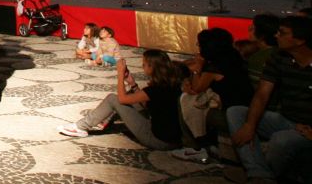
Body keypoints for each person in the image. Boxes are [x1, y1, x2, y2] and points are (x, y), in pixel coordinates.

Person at [227, 16, 312, 183]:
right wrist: (249, 126)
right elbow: (262, 94)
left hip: (308, 128)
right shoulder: (279, 57)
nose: (276, 36)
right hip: (289, 120)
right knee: (236, 113)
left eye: (282, 33)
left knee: (282, 140)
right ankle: (259, 174)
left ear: (300, 40)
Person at [57, 50, 183, 150]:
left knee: (114, 99)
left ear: (152, 67)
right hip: (175, 139)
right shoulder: (172, 84)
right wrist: (132, 84)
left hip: (158, 140)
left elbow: (122, 99)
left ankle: (80, 127)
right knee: (131, 94)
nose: (142, 66)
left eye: (144, 64)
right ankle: (104, 118)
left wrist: (120, 75)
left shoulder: (155, 89)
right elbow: (146, 103)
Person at [172, 27, 253, 164]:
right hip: (240, 107)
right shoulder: (233, 58)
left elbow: (197, 88)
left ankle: (195, 147)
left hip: (230, 114)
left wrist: (198, 68)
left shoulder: (215, 67)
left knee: (186, 100)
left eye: (199, 44)